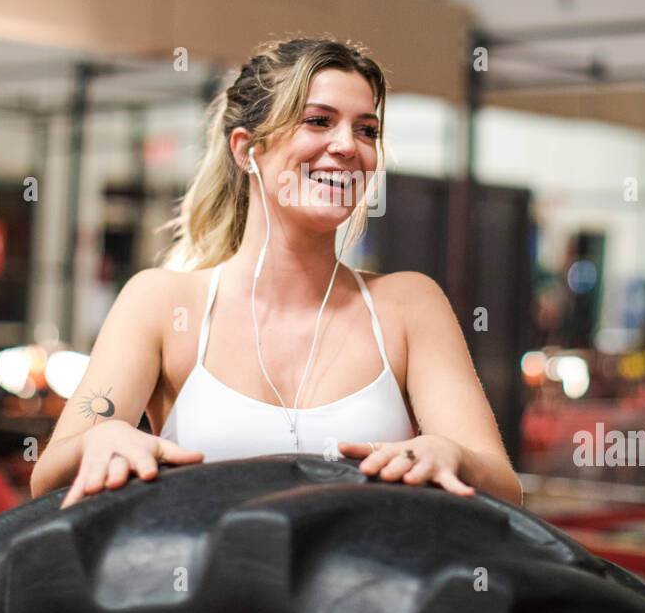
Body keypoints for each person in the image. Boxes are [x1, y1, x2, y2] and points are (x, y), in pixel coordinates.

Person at [29, 37, 523, 509]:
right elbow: (47, 477)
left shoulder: (410, 305)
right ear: (246, 150)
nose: (348, 146)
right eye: (318, 121)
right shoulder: (163, 303)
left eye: (367, 130)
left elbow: (504, 488)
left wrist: (454, 455)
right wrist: (107, 435)